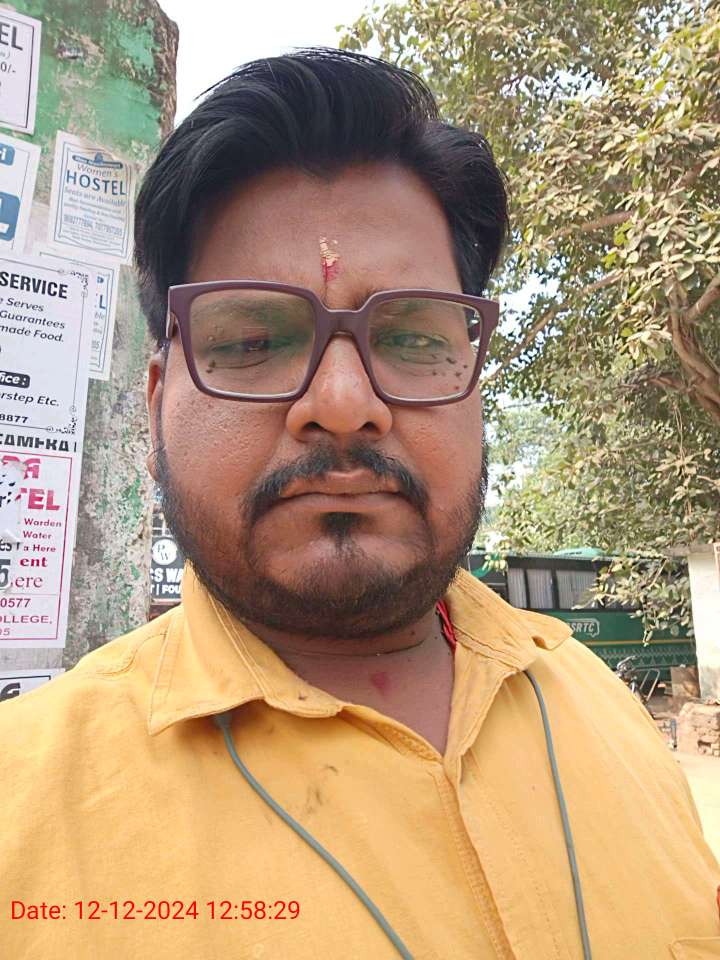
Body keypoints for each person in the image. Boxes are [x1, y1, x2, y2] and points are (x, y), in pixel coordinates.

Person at [0, 48, 717, 960]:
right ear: (154, 406)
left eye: (412, 338)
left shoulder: (604, 711)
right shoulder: (22, 814)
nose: (343, 404)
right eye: (251, 340)